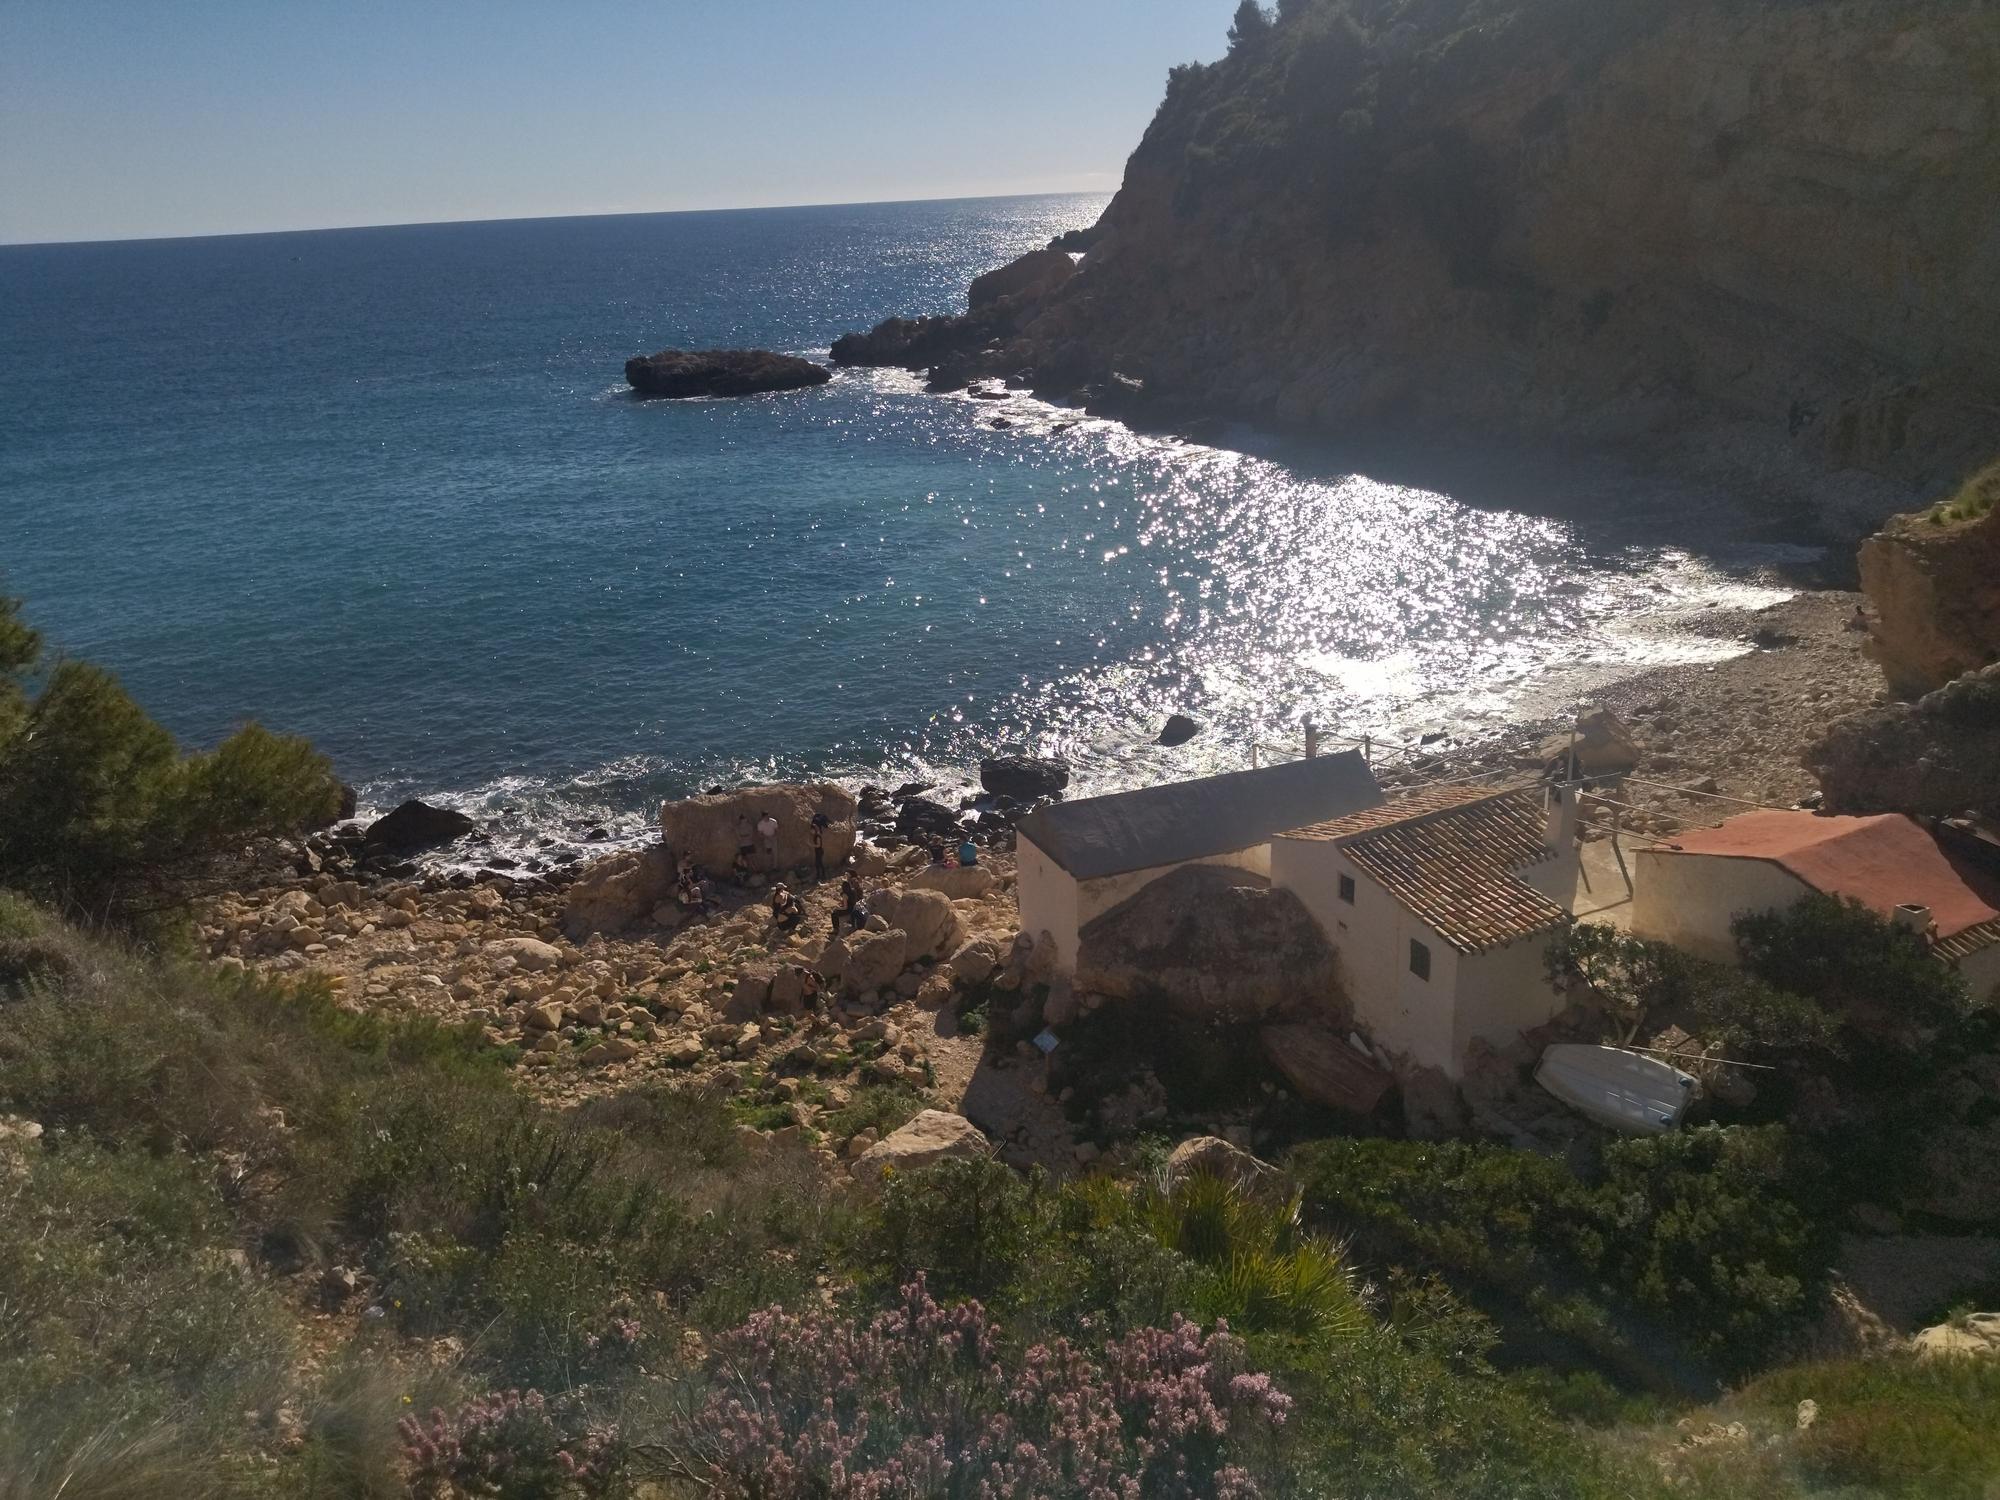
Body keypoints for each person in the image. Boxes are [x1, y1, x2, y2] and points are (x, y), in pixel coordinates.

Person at [810, 810, 830, 882]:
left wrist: (810, 845)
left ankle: (821, 876)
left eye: (811, 830)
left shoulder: (817, 836)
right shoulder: (816, 835)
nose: (811, 831)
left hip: (819, 850)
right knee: (818, 864)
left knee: (819, 864)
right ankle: (820, 876)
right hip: (818, 850)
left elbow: (818, 845)